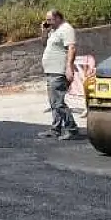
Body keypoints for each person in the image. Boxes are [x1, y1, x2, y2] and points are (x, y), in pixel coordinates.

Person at [38, 10, 79, 140]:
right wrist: (44, 31)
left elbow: (71, 49)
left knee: (58, 103)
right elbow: (44, 43)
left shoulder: (66, 29)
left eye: (49, 20)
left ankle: (72, 128)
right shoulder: (53, 31)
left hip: (59, 71)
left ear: (57, 18)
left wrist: (69, 68)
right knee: (53, 102)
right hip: (50, 71)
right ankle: (56, 128)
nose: (47, 22)